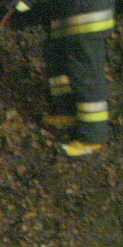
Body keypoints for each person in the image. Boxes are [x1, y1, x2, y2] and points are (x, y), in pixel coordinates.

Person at [20, 0, 114, 157]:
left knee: (86, 78)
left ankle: (92, 137)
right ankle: (67, 111)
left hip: (85, 14)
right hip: (69, 12)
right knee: (60, 65)